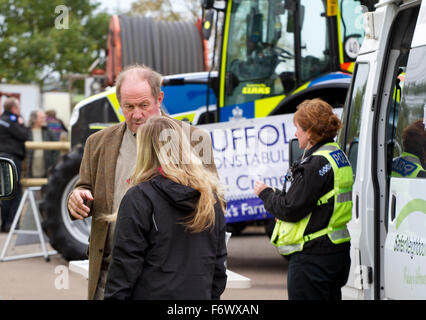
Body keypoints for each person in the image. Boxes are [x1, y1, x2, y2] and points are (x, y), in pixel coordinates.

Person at [67, 64, 218, 300]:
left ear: (159, 98)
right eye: (128, 107)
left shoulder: (195, 140)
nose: (136, 114)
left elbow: (213, 205)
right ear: (119, 103)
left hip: (167, 278)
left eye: (144, 105)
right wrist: (77, 197)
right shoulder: (97, 143)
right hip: (111, 274)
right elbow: (85, 186)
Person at [104, 116, 227, 300]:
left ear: (144, 150)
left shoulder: (139, 197)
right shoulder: (210, 198)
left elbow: (124, 268)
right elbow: (218, 270)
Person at [254, 98, 353, 300]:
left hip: (312, 258)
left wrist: (265, 193)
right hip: (335, 253)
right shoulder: (337, 155)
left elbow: (290, 209)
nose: (295, 133)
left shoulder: (314, 165)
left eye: (298, 128)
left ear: (310, 132)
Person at [0, 97, 28, 232]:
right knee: (13, 192)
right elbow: (23, 135)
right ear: (13, 109)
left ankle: (6, 223)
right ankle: (10, 224)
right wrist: (21, 123)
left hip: (3, 158)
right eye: (18, 107)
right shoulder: (11, 121)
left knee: (5, 190)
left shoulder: (2, 120)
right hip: (11, 158)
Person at [26, 110, 59, 178]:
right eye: (41, 118)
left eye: (44, 118)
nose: (44, 120)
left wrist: (53, 163)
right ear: (34, 119)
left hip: (46, 168)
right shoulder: (27, 131)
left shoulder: (48, 131)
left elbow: (57, 147)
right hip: (30, 168)